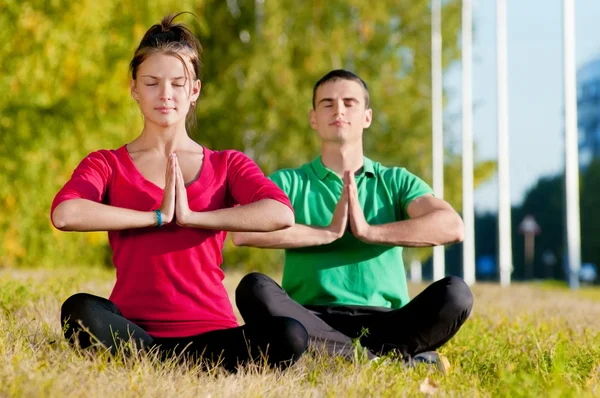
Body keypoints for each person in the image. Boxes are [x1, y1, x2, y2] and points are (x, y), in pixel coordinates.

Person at [51, 13, 308, 372]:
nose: (165, 94)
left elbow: (280, 212)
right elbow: (65, 213)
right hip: (134, 328)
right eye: (152, 82)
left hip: (212, 331)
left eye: (177, 83)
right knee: (78, 310)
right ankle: (173, 359)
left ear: (195, 91)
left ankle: (159, 362)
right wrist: (156, 216)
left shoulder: (227, 163)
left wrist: (192, 218)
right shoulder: (107, 163)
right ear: (134, 89)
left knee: (290, 335)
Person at [231, 69, 473, 371]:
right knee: (253, 288)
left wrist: (369, 231)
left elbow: (452, 226)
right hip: (309, 318)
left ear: (367, 117)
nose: (339, 110)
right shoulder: (290, 182)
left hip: (387, 323)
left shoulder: (395, 181)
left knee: (456, 293)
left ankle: (336, 356)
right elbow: (241, 231)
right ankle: (388, 363)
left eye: (349, 102)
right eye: (328, 103)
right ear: (313, 118)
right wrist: (327, 233)